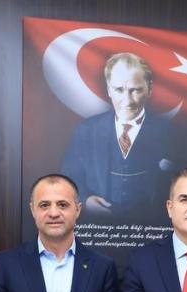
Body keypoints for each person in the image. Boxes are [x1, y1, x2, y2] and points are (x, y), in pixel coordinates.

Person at [61, 52, 177, 222]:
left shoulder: (170, 133)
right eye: (119, 90)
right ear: (109, 89)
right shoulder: (86, 131)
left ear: (149, 89)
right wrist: (85, 201)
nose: (127, 100)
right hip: (97, 228)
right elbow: (69, 178)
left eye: (135, 90)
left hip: (151, 228)